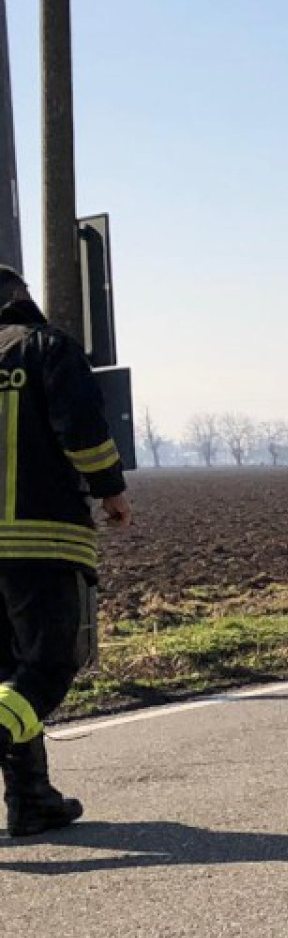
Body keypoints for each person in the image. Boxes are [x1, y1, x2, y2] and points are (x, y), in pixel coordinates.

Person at [0, 266, 132, 837]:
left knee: (8, 672)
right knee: (52, 663)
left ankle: (32, 799)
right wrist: (112, 491)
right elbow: (82, 429)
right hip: (41, 539)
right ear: (23, 298)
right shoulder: (46, 347)